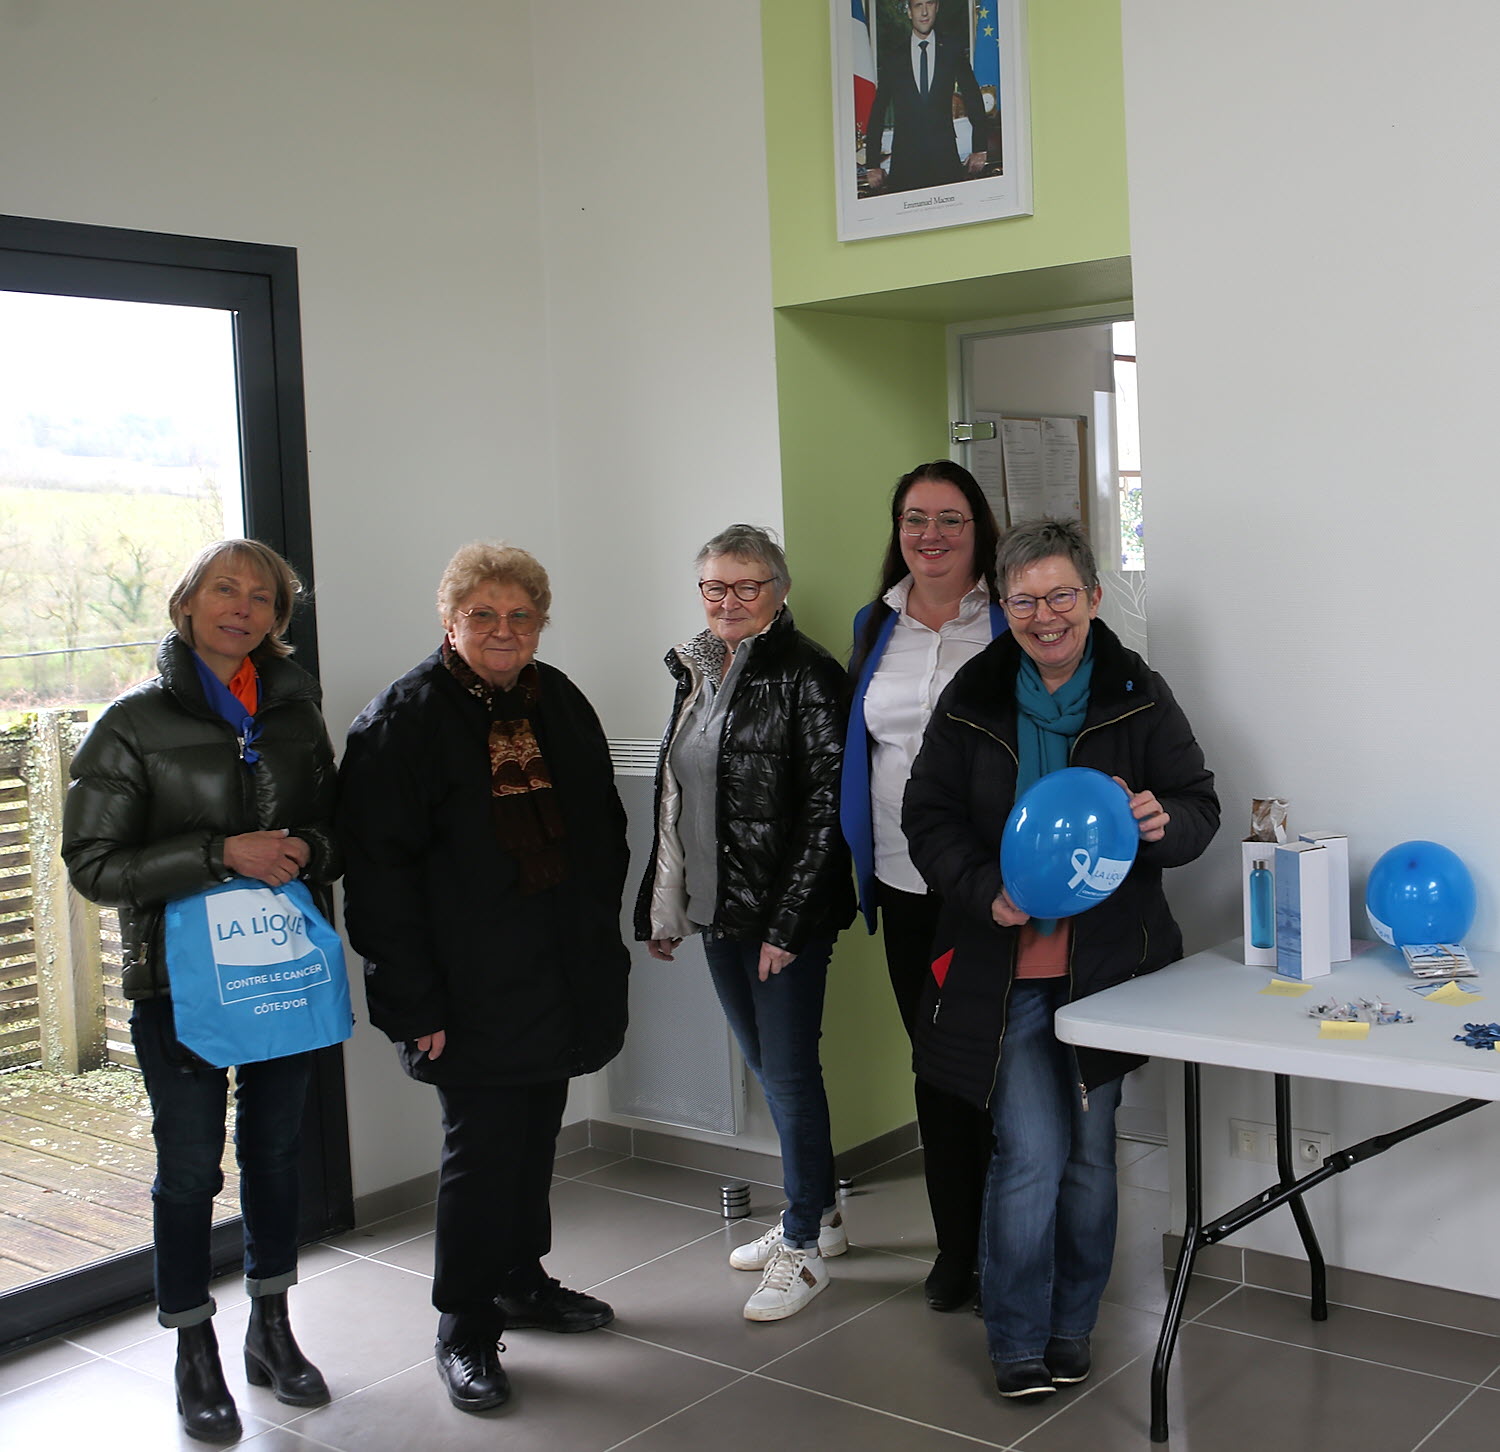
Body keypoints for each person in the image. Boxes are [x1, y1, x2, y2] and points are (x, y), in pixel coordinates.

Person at [902, 517, 1218, 1400]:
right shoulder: (972, 695)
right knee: (1032, 1152)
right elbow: (927, 819)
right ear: (1001, 607)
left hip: (1107, 974)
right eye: (1024, 600)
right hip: (1003, 970)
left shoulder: (1137, 692)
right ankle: (1015, 1338)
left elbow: (1200, 806)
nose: (1044, 616)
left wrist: (1162, 824)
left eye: (1060, 596)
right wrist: (981, 890)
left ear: (1092, 597)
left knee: (1088, 1154)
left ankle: (1072, 1326)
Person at [337, 541, 630, 1415]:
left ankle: (520, 1280)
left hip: (555, 969)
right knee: (481, 1148)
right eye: (483, 616)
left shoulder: (559, 699)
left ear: (540, 623)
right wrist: (411, 1002)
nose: (504, 631)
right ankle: (462, 1324)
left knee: (535, 1128)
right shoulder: (402, 722)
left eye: (521, 616)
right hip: (464, 986)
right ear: (449, 621)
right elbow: (379, 880)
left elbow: (602, 828)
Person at [62, 539, 338, 1443]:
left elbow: (336, 829)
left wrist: (306, 851)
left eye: (264, 597)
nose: (244, 606)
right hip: (178, 990)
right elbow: (94, 865)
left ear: (277, 622)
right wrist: (222, 853)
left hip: (280, 975)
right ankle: (193, 1347)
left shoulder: (296, 715)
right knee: (188, 1170)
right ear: (187, 603)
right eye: (226, 589)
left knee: (277, 1156)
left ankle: (271, 1327)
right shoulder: (129, 726)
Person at [636, 524, 855, 1322]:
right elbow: (676, 799)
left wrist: (788, 924)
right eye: (714, 587)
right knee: (768, 1065)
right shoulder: (696, 669)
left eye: (747, 585)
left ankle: (801, 1242)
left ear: (780, 591)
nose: (728, 601)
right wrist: (663, 907)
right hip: (717, 909)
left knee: (790, 1073)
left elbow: (830, 810)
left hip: (782, 918)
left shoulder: (810, 674)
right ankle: (821, 1212)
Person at [840, 460, 1004, 1313]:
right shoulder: (877, 624)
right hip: (906, 882)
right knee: (937, 1066)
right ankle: (958, 1247)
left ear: (979, 530)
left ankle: (1015, 1241)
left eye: (949, 520)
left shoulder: (1011, 619)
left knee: (1010, 1064)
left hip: (993, 885)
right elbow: (859, 753)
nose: (930, 536)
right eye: (914, 520)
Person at [863, 0, 988, 194]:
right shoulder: (893, 58)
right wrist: (872, 164)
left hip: (945, 160)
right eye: (917, 5)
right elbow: (878, 111)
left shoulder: (952, 50)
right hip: (905, 165)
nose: (924, 12)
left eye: (929, 4)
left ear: (937, 7)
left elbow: (973, 98)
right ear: (909, 12)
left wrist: (980, 148)